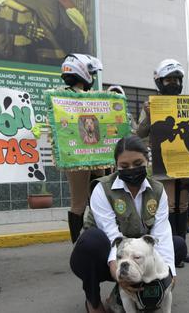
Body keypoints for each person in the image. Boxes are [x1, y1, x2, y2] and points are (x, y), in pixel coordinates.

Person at [70, 135, 185, 313]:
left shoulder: (158, 190)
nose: (131, 169)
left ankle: (135, 294)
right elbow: (111, 234)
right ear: (116, 166)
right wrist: (118, 270)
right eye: (124, 166)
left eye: (138, 163)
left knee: (177, 245)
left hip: (136, 255)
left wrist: (170, 273)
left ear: (147, 161)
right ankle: (93, 301)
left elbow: (161, 231)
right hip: (102, 256)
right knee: (91, 240)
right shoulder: (102, 189)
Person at [137, 59, 189, 266]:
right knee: (169, 205)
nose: (173, 83)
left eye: (177, 79)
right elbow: (140, 133)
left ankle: (181, 248)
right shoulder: (152, 103)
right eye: (168, 79)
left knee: (182, 204)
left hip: (184, 162)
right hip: (162, 162)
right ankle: (169, 249)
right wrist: (147, 115)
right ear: (160, 81)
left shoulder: (188, 102)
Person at [57, 53, 104, 244]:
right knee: (83, 202)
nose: (93, 77)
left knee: (88, 200)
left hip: (85, 152)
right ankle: (79, 245)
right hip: (82, 153)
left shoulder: (59, 95)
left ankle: (86, 243)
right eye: (91, 73)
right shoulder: (63, 97)